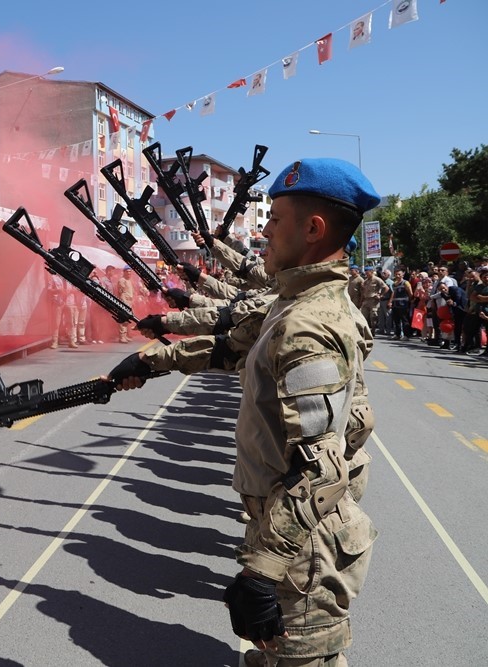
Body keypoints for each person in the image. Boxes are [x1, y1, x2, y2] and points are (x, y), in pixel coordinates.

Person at [111, 157, 379, 665]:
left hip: (303, 547)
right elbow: (232, 346)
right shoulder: (292, 302)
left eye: (275, 220)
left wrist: (261, 571)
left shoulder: (309, 324)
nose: (265, 232)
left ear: (313, 230)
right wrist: (151, 362)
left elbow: (321, 471)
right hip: (287, 529)